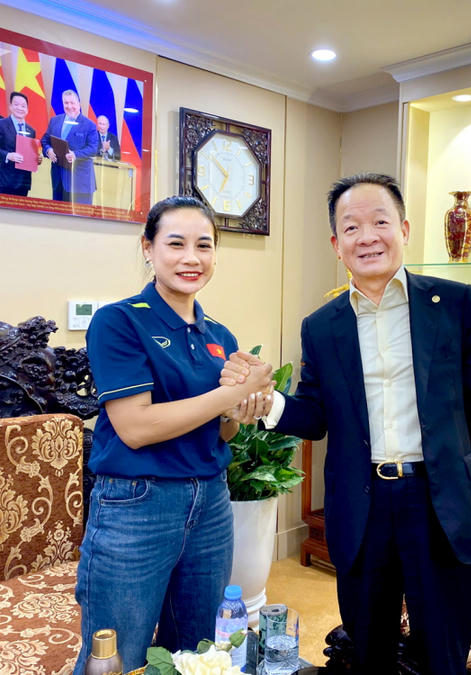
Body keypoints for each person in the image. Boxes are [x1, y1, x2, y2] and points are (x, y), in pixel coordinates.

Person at [224, 173, 471, 674]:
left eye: (380, 222)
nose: (367, 237)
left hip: (438, 499)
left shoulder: (454, 303)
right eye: (351, 227)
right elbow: (315, 415)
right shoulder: (321, 325)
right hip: (363, 504)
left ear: (404, 229)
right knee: (368, 650)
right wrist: (266, 404)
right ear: (337, 245)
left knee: (443, 654)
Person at [72, 195, 274, 674]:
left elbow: (223, 431)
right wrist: (230, 394)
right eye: (176, 243)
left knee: (198, 651)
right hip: (137, 505)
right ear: (148, 248)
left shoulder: (220, 336)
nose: (192, 258)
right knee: (118, 655)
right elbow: (136, 428)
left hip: (211, 503)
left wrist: (242, 409)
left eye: (204, 245)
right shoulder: (120, 321)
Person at [41, 89, 100, 204]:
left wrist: (75, 154)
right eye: (66, 103)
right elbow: (45, 140)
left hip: (80, 183)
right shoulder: (55, 121)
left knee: (80, 215)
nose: (69, 106)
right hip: (58, 180)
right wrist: (48, 150)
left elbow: (93, 149)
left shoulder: (90, 125)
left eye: (72, 103)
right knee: (57, 214)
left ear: (79, 104)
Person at [0, 91, 40, 197]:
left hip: (24, 181)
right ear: (10, 106)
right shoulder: (0, 124)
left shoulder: (31, 130)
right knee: (3, 206)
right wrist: (8, 155)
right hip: (6, 178)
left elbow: (29, 152)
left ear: (27, 109)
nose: (20, 108)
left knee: (21, 207)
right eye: (16, 105)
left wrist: (36, 159)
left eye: (23, 106)